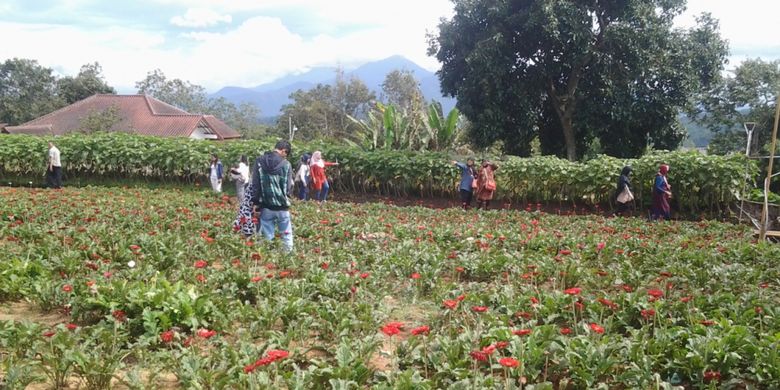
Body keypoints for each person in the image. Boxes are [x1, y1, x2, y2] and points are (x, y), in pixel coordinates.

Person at [250, 140, 295, 252]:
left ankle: (269, 258)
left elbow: (255, 184)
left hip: (266, 206)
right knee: (286, 234)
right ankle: (287, 258)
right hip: (282, 206)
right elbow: (288, 187)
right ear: (284, 151)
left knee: (267, 235)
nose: (285, 157)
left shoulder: (259, 161)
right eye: (286, 154)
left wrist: (255, 202)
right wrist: (287, 196)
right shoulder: (286, 164)